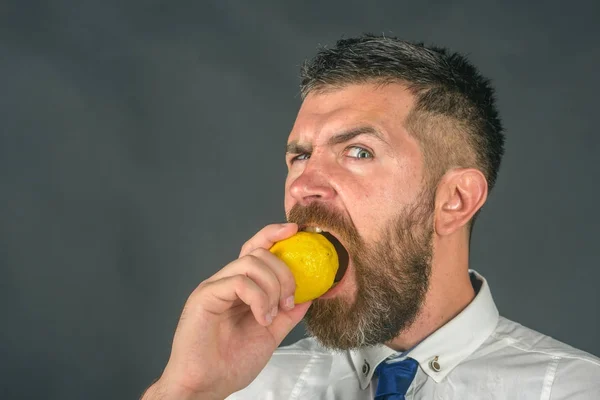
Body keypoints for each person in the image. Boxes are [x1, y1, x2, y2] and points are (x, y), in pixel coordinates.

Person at [141, 34, 600, 400]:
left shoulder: (574, 391)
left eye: (358, 152)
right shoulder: (246, 389)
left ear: (455, 200)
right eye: (299, 157)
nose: (303, 186)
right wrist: (187, 392)